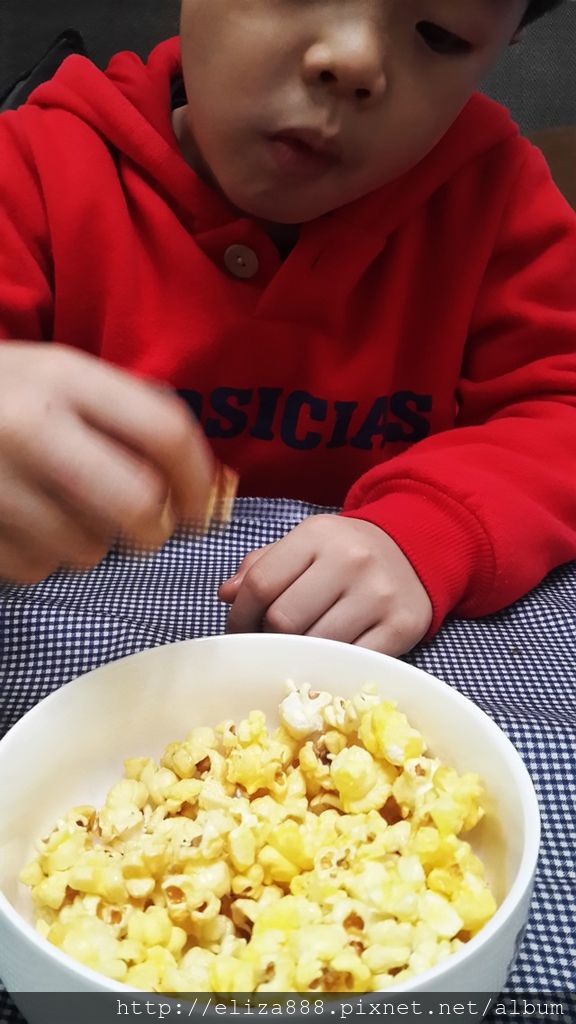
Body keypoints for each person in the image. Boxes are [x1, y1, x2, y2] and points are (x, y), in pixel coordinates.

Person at [0, 0, 574, 656]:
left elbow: (562, 407)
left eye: (440, 35)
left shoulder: (496, 203)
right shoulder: (32, 170)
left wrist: (435, 528)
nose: (352, 61)